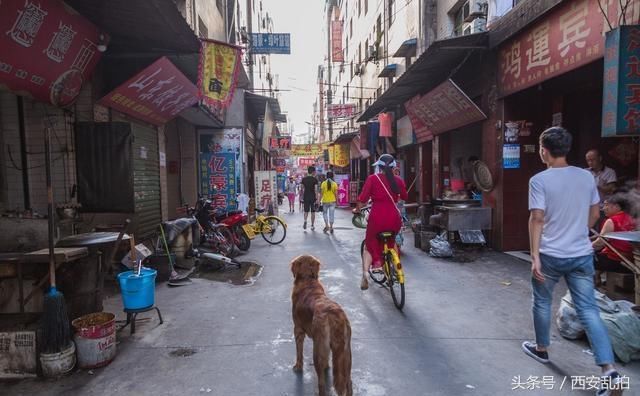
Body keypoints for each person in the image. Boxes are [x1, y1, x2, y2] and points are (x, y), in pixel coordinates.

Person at [525, 127, 623, 396]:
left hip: (550, 254)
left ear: (544, 150)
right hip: (581, 254)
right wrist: (579, 230)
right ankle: (609, 371)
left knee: (542, 301)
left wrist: (534, 255)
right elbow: (594, 212)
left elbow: (537, 218)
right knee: (589, 310)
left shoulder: (539, 180)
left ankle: (542, 348)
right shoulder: (585, 177)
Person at [353, 154, 408, 291]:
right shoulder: (398, 181)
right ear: (394, 167)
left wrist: (357, 209)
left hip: (377, 217)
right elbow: (405, 197)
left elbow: (363, 198)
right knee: (392, 240)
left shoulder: (373, 178)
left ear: (379, 167)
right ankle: (395, 267)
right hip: (394, 218)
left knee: (369, 244)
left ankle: (367, 272)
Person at [592, 195, 636, 280]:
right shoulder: (633, 218)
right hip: (632, 260)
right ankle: (598, 278)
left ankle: (592, 283)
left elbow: (599, 243)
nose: (603, 208)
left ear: (617, 206)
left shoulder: (612, 221)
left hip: (618, 261)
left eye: (606, 205)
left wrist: (583, 249)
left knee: (587, 258)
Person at [300, 166, 319, 230]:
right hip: (313, 197)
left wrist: (301, 197)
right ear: (313, 172)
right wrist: (317, 199)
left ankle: (305, 221)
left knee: (306, 211)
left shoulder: (304, 179)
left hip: (306, 196)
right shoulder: (315, 179)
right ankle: (312, 225)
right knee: (313, 212)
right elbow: (316, 190)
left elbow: (302, 189)